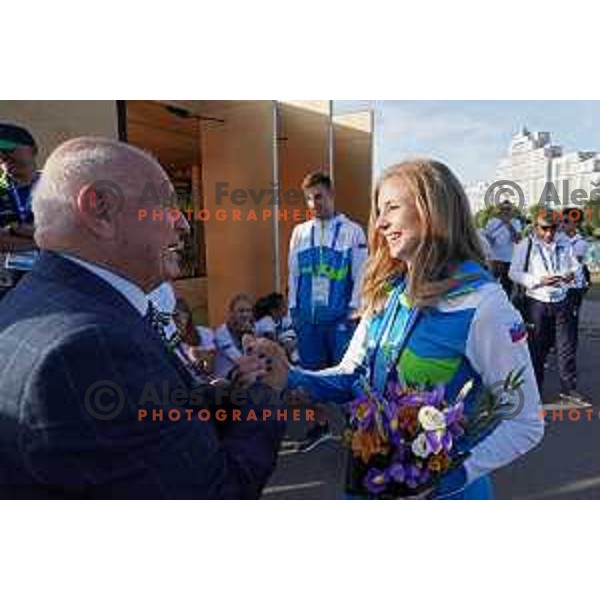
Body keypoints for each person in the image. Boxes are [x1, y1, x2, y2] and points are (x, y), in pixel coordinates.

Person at [0, 137, 286, 499]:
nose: (183, 224)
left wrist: (230, 393)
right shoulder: (88, 346)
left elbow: (145, 419)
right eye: (167, 205)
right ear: (100, 208)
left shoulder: (39, 301)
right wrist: (265, 394)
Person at [268, 159, 543, 499]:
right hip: (374, 479)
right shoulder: (386, 289)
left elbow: (525, 422)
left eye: (392, 208)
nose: (380, 223)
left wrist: (448, 477)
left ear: (433, 210)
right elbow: (353, 374)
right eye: (379, 211)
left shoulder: (484, 304)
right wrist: (291, 375)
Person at [288, 171, 368, 449]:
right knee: (309, 377)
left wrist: (354, 309)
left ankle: (356, 428)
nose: (313, 204)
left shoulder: (353, 231)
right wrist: (293, 312)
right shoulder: (299, 232)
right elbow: (293, 274)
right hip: (308, 321)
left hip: (339, 321)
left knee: (345, 376)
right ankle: (319, 425)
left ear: (331, 195)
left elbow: (361, 274)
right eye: (308, 199)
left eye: (318, 196)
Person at [509, 213, 585, 405]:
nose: (549, 233)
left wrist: (570, 276)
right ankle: (535, 391)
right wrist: (537, 281)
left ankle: (569, 388)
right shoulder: (526, 245)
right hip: (537, 302)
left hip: (562, 300)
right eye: (544, 228)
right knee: (537, 349)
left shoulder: (564, 243)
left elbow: (576, 267)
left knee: (566, 346)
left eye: (553, 228)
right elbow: (513, 273)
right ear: (536, 227)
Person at [0, 124, 40, 301]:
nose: (3, 156)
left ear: (32, 150)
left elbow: (70, 234)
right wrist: (47, 241)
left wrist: (14, 230)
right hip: (5, 289)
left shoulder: (58, 187)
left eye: (9, 149)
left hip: (54, 282)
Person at [483, 200, 522, 296]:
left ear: (512, 211)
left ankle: (507, 304)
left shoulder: (516, 222)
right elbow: (487, 240)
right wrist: (490, 239)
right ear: (499, 210)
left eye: (508, 209)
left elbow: (517, 239)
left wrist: (508, 224)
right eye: (503, 209)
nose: (506, 211)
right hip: (495, 259)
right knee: (492, 285)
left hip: (509, 260)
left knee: (508, 287)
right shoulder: (492, 222)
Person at [213, 293, 255, 378]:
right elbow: (240, 360)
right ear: (231, 313)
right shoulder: (222, 333)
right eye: (241, 311)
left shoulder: (251, 330)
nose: (245, 315)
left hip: (245, 375)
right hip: (226, 381)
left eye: (248, 310)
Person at [254, 292, 299, 364]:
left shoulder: (280, 320)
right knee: (293, 341)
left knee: (292, 336)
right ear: (273, 310)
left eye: (286, 305)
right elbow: (274, 345)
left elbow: (294, 326)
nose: (287, 308)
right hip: (259, 351)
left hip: (269, 347)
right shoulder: (267, 322)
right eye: (284, 307)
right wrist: (291, 345)